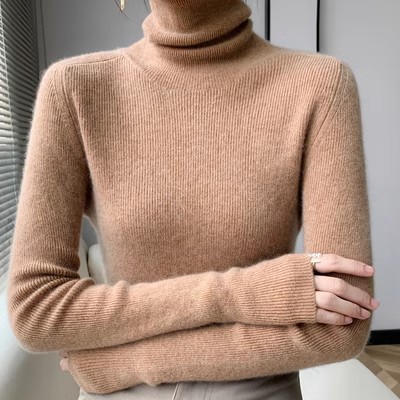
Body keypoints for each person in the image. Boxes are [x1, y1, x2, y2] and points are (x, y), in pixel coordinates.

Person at [7, 0, 379, 399]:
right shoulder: (74, 89)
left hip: (252, 386)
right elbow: (34, 308)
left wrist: (125, 362)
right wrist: (243, 294)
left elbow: (344, 327)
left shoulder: (321, 84)